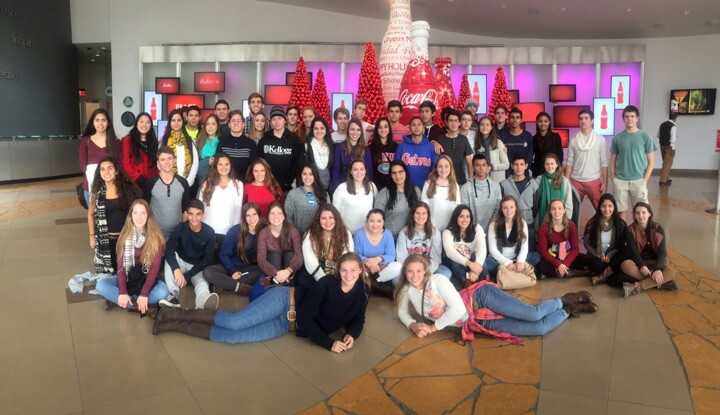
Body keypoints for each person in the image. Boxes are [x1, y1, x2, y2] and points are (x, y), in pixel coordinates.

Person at [153, 252, 370, 354]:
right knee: (235, 323)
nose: (348, 274)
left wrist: (352, 333)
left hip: (287, 325)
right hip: (286, 302)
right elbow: (306, 316)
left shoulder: (361, 293)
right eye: (344, 270)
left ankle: (172, 325)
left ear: (360, 270)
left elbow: (359, 318)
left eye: (353, 270)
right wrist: (328, 343)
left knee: (233, 337)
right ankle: (174, 314)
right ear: (338, 270)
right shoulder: (326, 284)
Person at [395, 255, 597, 342]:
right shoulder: (406, 290)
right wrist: (413, 325)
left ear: (425, 271)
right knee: (539, 328)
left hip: (481, 299)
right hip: (477, 320)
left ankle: (564, 299)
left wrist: (432, 327)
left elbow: (456, 309)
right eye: (410, 272)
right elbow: (402, 312)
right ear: (405, 272)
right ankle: (568, 309)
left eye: (418, 271)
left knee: (532, 314)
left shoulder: (437, 280)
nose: (414, 275)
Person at [95, 199, 169, 313]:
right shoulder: (125, 237)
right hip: (128, 278)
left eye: (143, 213)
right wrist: (123, 291)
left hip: (146, 278)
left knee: (163, 292)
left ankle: (123, 301)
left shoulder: (156, 238)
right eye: (135, 213)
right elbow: (121, 268)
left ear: (148, 216)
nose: (139, 217)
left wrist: (144, 294)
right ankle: (141, 305)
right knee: (101, 285)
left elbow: (154, 269)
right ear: (131, 216)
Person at [609, 202, 678, 297]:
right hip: (638, 262)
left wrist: (657, 268)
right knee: (625, 264)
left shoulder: (658, 228)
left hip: (654, 262)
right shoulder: (629, 230)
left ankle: (639, 286)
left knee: (671, 271)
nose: (640, 216)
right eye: (637, 213)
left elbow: (662, 251)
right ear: (634, 215)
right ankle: (660, 283)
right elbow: (633, 251)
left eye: (643, 212)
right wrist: (641, 265)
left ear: (649, 213)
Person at [161, 199, 218, 309]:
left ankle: (203, 304)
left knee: (202, 283)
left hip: (196, 266)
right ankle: (174, 296)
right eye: (191, 214)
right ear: (186, 214)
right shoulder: (181, 227)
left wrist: (186, 276)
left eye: (198, 214)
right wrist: (176, 269)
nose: (194, 218)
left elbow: (206, 260)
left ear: (203, 214)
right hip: (181, 262)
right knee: (170, 259)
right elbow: (169, 249)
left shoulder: (210, 233)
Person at [88, 157, 141, 274]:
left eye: (110, 168)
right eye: (102, 169)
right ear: (99, 173)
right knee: (110, 273)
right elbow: (90, 214)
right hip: (106, 241)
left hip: (126, 239)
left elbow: (138, 214)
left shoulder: (128, 191)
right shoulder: (97, 193)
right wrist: (92, 236)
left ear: (116, 171)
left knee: (128, 272)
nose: (106, 172)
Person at [203, 202, 266, 295]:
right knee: (207, 272)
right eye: (248, 215)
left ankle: (225, 284)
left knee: (263, 271)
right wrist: (232, 271)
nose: (251, 219)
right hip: (228, 266)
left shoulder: (264, 231)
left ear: (259, 215)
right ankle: (239, 287)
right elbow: (223, 254)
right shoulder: (235, 230)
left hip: (246, 269)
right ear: (244, 217)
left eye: (254, 214)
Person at [610, 105, 656, 222]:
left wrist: (644, 180)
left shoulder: (645, 137)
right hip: (620, 180)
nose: (629, 119)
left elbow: (651, 161)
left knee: (641, 212)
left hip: (638, 180)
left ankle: (639, 237)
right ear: (623, 119)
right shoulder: (618, 138)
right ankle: (623, 235)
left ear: (637, 118)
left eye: (632, 116)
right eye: (626, 116)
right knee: (621, 212)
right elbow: (612, 161)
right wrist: (614, 179)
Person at [254, 202, 304, 292]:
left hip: (289, 271)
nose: (276, 217)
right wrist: (277, 274)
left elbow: (299, 256)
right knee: (274, 254)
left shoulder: (292, 231)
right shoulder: (263, 233)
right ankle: (279, 285)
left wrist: (287, 271)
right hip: (274, 270)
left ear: (284, 216)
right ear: (268, 216)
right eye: (272, 213)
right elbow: (261, 259)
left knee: (290, 254)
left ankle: (277, 285)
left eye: (279, 213)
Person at [486, 196, 541, 278]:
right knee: (486, 263)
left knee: (536, 257)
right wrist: (507, 262)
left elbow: (524, 247)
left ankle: (505, 272)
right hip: (499, 260)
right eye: (505, 208)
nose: (509, 211)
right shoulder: (494, 224)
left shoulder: (522, 223)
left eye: (511, 207)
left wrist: (520, 261)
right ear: (501, 209)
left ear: (516, 208)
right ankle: (516, 271)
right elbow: (492, 250)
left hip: (516, 258)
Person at [535, 199, 592, 279]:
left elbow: (575, 249)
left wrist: (564, 265)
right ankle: (571, 272)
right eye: (553, 209)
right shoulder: (543, 228)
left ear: (564, 210)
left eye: (560, 208)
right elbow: (543, 252)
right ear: (550, 211)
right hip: (553, 258)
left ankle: (561, 272)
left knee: (588, 259)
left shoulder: (571, 225)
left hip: (567, 256)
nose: (557, 211)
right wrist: (558, 265)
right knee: (540, 266)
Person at [142, 147, 191, 239]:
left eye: (169, 158)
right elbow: (145, 209)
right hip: (155, 233)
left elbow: (186, 211)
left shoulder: (183, 182)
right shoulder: (150, 183)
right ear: (158, 162)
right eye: (163, 159)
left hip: (177, 233)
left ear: (174, 160)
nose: (167, 162)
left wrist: (183, 232)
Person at [300, 204, 354, 286]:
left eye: (331, 218)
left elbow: (346, 257)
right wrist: (325, 282)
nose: (328, 222)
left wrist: (341, 277)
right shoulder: (310, 235)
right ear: (318, 220)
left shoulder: (345, 233)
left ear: (336, 218)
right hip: (316, 271)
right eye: (323, 218)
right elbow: (310, 262)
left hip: (339, 269)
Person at [564, 109, 608, 208]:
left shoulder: (600, 139)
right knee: (572, 209)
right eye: (580, 119)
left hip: (594, 180)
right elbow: (569, 162)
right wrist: (566, 181)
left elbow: (604, 162)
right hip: (576, 181)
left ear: (592, 121)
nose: (583, 121)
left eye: (586, 118)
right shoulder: (573, 141)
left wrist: (605, 182)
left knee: (601, 209)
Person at [396, 202, 452, 279]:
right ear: (413, 215)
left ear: (428, 215)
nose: (420, 216)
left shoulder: (435, 233)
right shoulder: (403, 232)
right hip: (410, 267)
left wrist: (424, 272)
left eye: (424, 213)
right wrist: (413, 273)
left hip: (428, 268)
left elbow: (436, 259)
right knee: (395, 279)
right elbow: (401, 258)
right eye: (417, 213)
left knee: (446, 273)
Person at [198, 152, 243, 245]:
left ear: (231, 166)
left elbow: (238, 210)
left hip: (227, 232)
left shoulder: (238, 184)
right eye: (220, 164)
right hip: (207, 229)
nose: (224, 167)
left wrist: (235, 231)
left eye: (227, 164)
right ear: (215, 166)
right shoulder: (206, 183)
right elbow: (200, 207)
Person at [583, 194, 627, 286]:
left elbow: (620, 245)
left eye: (610, 206)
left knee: (623, 259)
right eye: (603, 206)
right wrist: (599, 255)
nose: (607, 210)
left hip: (612, 256)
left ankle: (602, 275)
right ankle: (609, 272)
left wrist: (609, 256)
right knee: (595, 265)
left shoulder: (620, 224)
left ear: (614, 207)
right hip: (596, 255)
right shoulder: (592, 223)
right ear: (599, 207)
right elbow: (586, 243)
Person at [257, 106, 304, 193]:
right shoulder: (264, 140)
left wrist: (288, 181)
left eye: (279, 118)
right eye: (274, 119)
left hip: (287, 187)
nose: (277, 121)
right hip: (267, 185)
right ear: (270, 122)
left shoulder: (294, 139)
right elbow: (260, 161)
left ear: (285, 120)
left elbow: (297, 163)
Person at [354, 209, 403, 290]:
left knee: (398, 266)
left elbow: (391, 255)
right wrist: (367, 262)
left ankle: (373, 283)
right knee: (354, 267)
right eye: (372, 221)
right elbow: (355, 254)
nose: (375, 224)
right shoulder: (359, 234)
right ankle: (375, 286)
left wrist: (377, 259)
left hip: (381, 268)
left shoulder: (387, 234)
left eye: (379, 221)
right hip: (364, 268)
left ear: (383, 222)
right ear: (367, 221)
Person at [80, 108, 119, 206]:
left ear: (108, 123)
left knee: (110, 218)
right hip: (91, 186)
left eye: (104, 120)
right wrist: (100, 177)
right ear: (92, 123)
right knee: (94, 218)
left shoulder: (116, 142)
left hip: (111, 188)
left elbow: (119, 165)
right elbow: (82, 164)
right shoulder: (86, 141)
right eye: (97, 120)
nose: (100, 123)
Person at [499, 156, 539, 249]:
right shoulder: (504, 184)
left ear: (526, 166)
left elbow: (536, 206)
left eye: (521, 164)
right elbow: (501, 206)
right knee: (512, 253)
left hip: (529, 224)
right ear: (512, 166)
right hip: (510, 225)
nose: (519, 167)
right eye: (516, 164)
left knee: (530, 253)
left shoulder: (533, 184)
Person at [442, 205, 488, 286]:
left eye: (467, 216)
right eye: (461, 216)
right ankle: (465, 284)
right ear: (456, 217)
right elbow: (450, 253)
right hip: (459, 263)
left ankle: (486, 280)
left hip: (475, 261)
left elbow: (482, 249)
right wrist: (470, 265)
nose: (465, 220)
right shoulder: (448, 232)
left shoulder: (477, 228)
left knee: (478, 257)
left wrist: (475, 269)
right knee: (456, 258)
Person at [374, 160, 420, 239]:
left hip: (411, 238)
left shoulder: (416, 191)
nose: (397, 176)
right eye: (394, 173)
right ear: (390, 175)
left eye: (400, 172)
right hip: (390, 238)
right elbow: (376, 217)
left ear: (406, 172)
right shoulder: (385, 193)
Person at [332, 159, 378, 233]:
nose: (359, 172)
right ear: (351, 172)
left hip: (366, 233)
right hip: (346, 234)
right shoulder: (341, 188)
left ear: (365, 170)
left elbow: (376, 208)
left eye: (361, 169)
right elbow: (335, 212)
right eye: (355, 169)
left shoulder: (372, 186)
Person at [461, 154, 502, 233]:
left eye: (484, 165)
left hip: (492, 230)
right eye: (478, 165)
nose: (481, 168)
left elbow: (498, 209)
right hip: (472, 230)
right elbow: (465, 212)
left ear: (487, 167)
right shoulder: (466, 188)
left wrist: (492, 227)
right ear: (473, 168)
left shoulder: (496, 186)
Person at [394, 116, 439, 189]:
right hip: (406, 188)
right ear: (409, 128)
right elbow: (395, 168)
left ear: (423, 128)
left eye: (419, 124)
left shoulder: (431, 147)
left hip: (426, 188)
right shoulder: (401, 147)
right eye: (413, 125)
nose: (416, 127)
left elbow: (435, 169)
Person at [432, 109, 473, 185]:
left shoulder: (463, 139)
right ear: (446, 122)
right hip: (443, 181)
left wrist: (471, 181)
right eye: (451, 121)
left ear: (459, 123)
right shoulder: (440, 139)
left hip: (460, 181)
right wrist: (433, 143)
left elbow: (469, 163)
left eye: (456, 121)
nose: (453, 123)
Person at [332, 118, 373, 192]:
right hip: (344, 188)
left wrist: (368, 190)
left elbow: (369, 172)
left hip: (361, 189)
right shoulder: (340, 148)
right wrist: (336, 191)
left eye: (358, 129)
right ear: (348, 130)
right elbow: (336, 172)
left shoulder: (365, 149)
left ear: (361, 132)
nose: (355, 132)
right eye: (352, 129)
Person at [421, 155, 460, 232]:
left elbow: (457, 207)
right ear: (436, 168)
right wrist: (430, 226)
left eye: (446, 166)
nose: (443, 169)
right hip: (432, 228)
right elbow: (424, 207)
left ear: (450, 168)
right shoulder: (428, 184)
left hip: (450, 228)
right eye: (440, 166)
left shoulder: (455, 185)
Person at [285, 164, 328, 234]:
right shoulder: (293, 194)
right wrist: (294, 235)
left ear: (315, 176)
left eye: (311, 174)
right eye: (304, 174)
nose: (307, 177)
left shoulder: (324, 194)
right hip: (298, 236)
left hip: (318, 236)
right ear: (301, 175)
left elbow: (327, 216)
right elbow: (287, 217)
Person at [162, 109, 199, 187]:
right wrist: (167, 180)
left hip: (187, 184)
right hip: (167, 183)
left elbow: (195, 163)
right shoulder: (163, 140)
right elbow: (159, 163)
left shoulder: (190, 140)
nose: (176, 123)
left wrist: (188, 182)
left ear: (183, 122)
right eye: (173, 120)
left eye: (179, 120)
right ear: (169, 122)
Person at [534, 153, 573, 225]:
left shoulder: (564, 181)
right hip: (543, 219)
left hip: (561, 219)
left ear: (557, 165)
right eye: (547, 164)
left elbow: (568, 202)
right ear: (544, 165)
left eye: (552, 164)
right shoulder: (538, 181)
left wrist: (567, 219)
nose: (550, 166)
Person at [121, 112, 158, 188]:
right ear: (136, 123)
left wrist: (154, 180)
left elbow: (156, 165)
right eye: (141, 122)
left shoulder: (154, 142)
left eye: (148, 122)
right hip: (134, 182)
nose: (144, 124)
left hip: (151, 183)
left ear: (151, 125)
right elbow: (126, 164)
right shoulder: (127, 140)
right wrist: (139, 178)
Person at [216, 110, 258, 177]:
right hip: (226, 182)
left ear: (243, 124)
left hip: (245, 183)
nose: (236, 123)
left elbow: (253, 167)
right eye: (233, 121)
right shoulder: (222, 142)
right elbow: (218, 164)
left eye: (239, 121)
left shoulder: (251, 144)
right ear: (229, 125)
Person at [473, 115, 509, 183]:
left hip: (497, 181)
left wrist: (492, 167)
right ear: (479, 127)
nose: (484, 127)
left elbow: (506, 164)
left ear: (491, 127)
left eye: (487, 125)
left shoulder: (498, 143)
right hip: (481, 181)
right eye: (482, 124)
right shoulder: (477, 143)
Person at [500, 107, 534, 178]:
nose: (515, 120)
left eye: (517, 117)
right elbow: (500, 156)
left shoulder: (527, 136)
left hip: (523, 176)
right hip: (507, 176)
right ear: (509, 120)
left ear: (521, 120)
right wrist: (509, 173)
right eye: (512, 117)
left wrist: (522, 172)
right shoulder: (502, 136)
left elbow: (529, 157)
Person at [304, 116, 335, 190]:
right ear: (312, 130)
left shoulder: (331, 145)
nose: (319, 131)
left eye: (322, 128)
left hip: (327, 185)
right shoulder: (307, 145)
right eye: (316, 128)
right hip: (311, 186)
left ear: (326, 129)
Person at [368, 117, 398, 190]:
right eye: (380, 127)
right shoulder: (370, 148)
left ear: (389, 129)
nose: (383, 130)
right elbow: (369, 170)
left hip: (393, 186)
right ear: (377, 130)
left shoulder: (396, 147)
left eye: (386, 127)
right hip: (376, 187)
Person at [531, 112, 563, 176]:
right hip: (538, 172)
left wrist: (557, 169)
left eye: (546, 121)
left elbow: (560, 155)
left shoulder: (555, 136)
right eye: (540, 121)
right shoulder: (534, 138)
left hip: (553, 170)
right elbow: (531, 155)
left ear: (549, 122)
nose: (543, 123)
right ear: (537, 123)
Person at [195, 113, 221, 186]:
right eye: (207, 124)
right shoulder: (199, 140)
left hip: (216, 177)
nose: (210, 127)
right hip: (201, 177)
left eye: (213, 124)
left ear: (217, 126)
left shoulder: (222, 141)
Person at [657, 112, 678, 185]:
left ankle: (667, 178)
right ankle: (662, 180)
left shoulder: (662, 124)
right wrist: (672, 147)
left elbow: (658, 135)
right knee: (667, 163)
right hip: (669, 147)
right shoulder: (673, 127)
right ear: (675, 118)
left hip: (662, 145)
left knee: (666, 163)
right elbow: (673, 139)